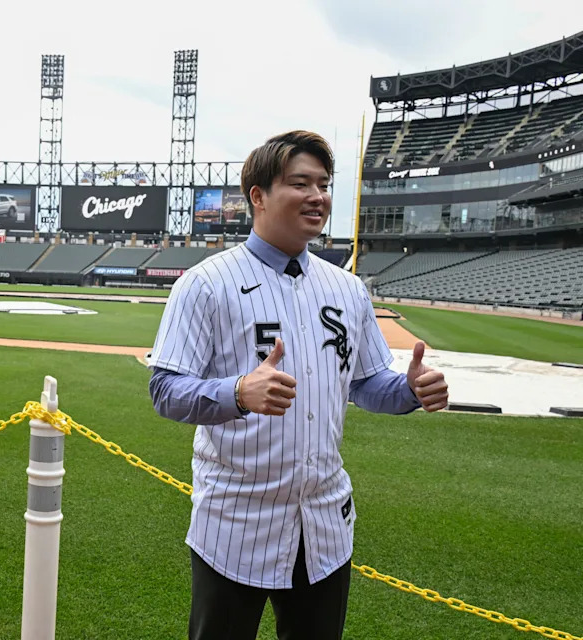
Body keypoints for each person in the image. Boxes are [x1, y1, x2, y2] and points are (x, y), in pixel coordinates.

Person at [148, 130, 448, 640]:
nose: (318, 196)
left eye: (324, 184)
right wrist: (239, 392)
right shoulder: (204, 283)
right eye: (300, 183)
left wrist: (409, 391)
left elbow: (368, 383)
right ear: (258, 196)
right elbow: (166, 390)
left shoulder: (347, 289)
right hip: (235, 524)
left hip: (325, 527)